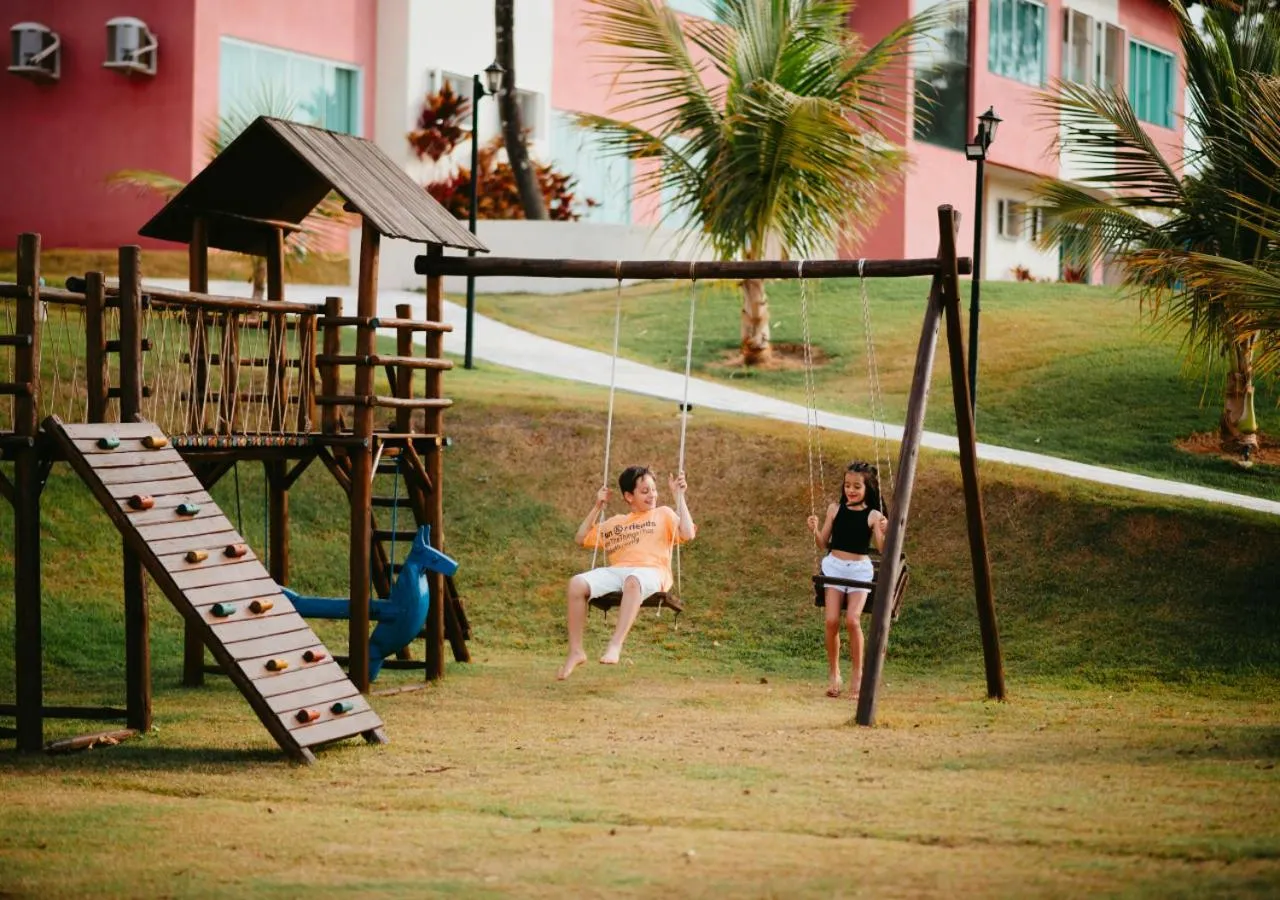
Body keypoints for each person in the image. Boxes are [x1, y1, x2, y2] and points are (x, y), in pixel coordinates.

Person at [557, 465, 696, 680]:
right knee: (576, 583)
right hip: (617, 572)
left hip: (652, 571)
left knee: (633, 580)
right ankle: (576, 651)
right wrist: (597, 506)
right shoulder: (616, 523)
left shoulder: (664, 514)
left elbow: (687, 533)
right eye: (644, 491)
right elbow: (580, 537)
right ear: (629, 496)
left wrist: (679, 497)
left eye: (653, 489)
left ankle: (615, 645)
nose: (652, 495)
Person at [806, 461, 888, 700]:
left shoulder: (873, 515)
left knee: (852, 620)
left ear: (867, 488)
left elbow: (883, 549)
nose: (850, 490)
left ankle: (858, 675)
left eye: (857, 487)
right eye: (847, 486)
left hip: (859, 572)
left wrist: (885, 528)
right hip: (834, 566)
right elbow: (823, 543)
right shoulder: (835, 509)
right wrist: (815, 529)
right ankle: (834, 674)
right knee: (831, 620)